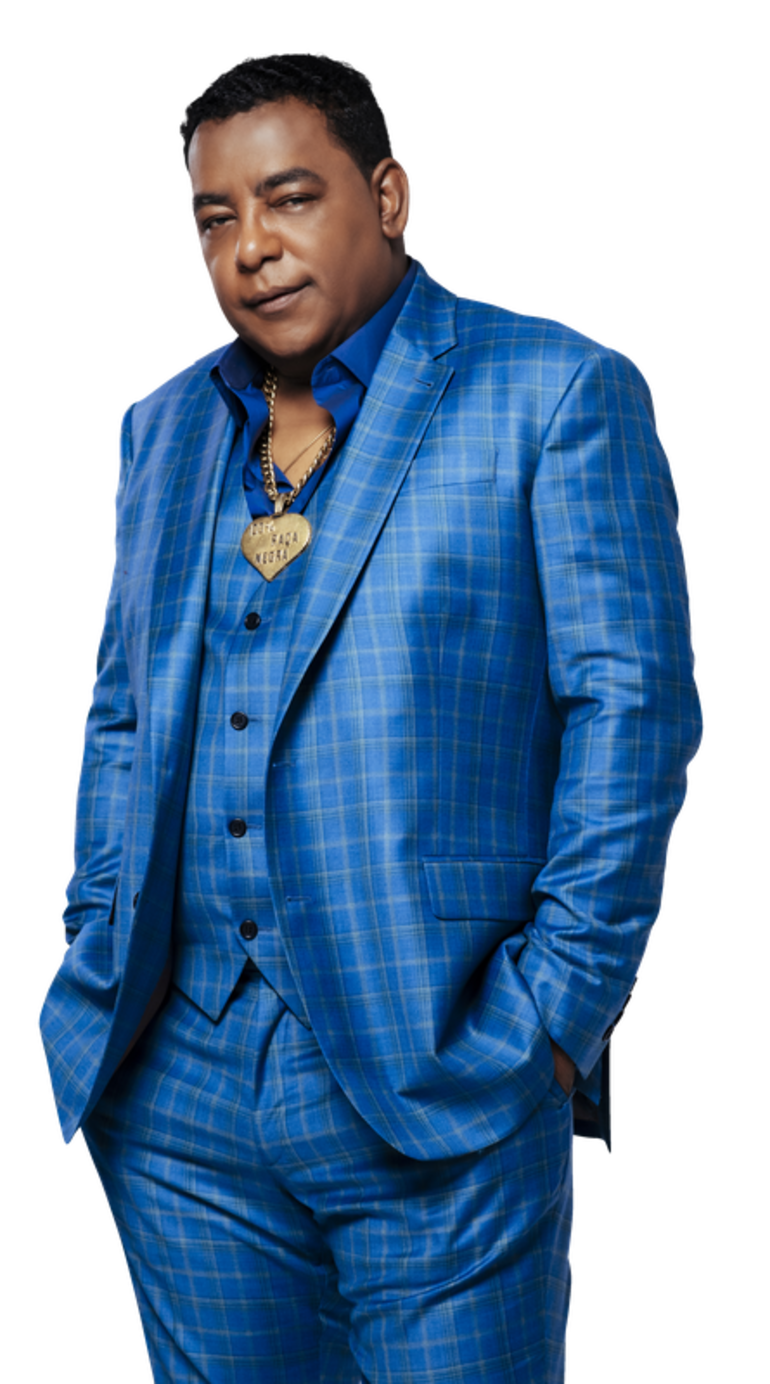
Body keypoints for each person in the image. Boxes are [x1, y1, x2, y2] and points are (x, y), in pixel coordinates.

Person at [33, 51, 706, 1384]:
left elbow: (634, 715)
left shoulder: (556, 388)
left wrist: (551, 1024)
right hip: (172, 1081)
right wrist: (91, 943)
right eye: (214, 217)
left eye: (290, 198)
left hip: (442, 1061)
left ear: (389, 197)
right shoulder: (158, 425)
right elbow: (119, 714)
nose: (250, 248)